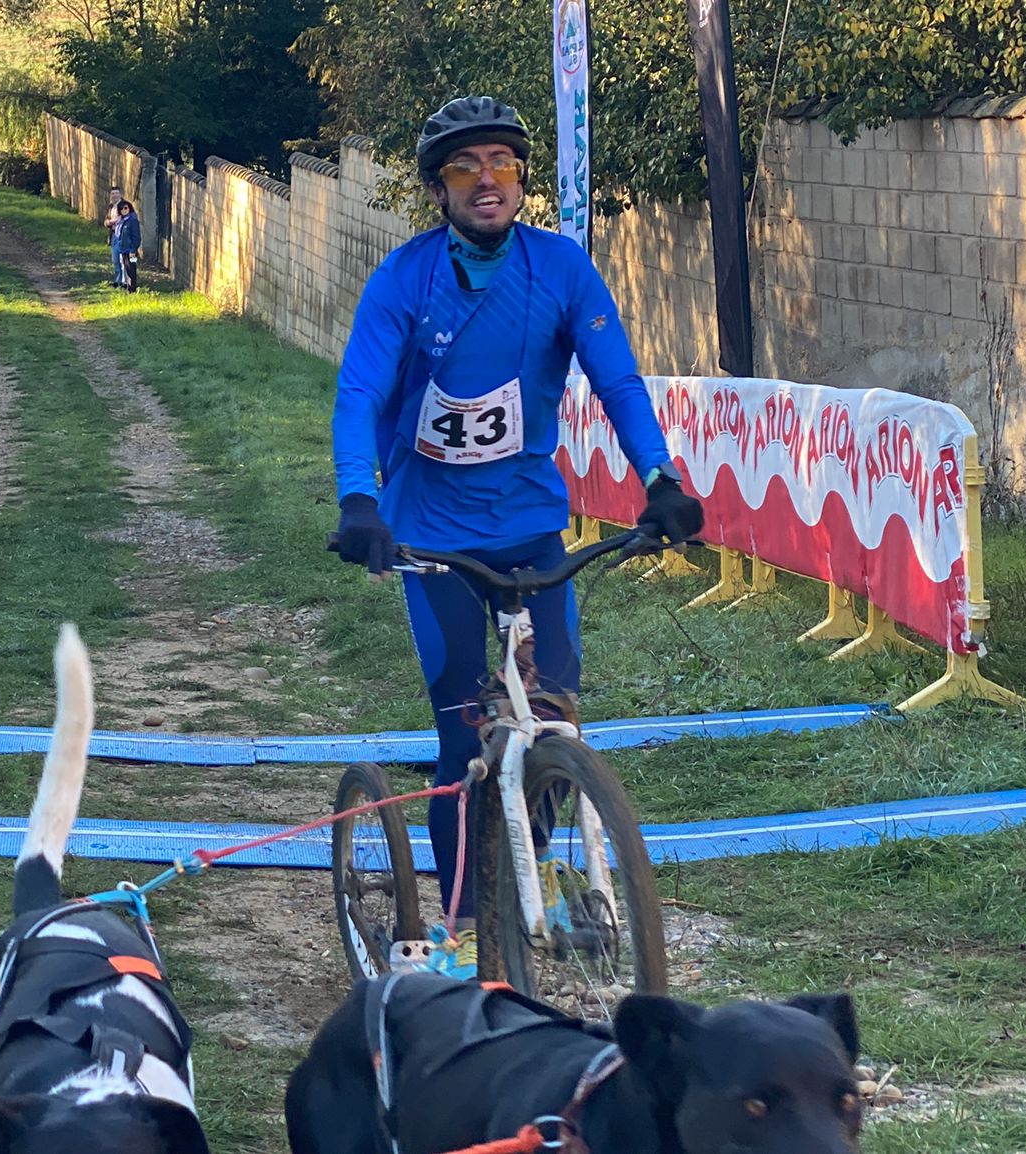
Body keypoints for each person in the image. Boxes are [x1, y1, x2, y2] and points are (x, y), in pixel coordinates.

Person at [327, 96, 703, 981]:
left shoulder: (562, 270)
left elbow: (618, 383)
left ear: (523, 178)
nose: (486, 179)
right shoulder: (405, 279)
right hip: (432, 537)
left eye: (501, 162)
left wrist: (660, 480)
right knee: (465, 734)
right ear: (439, 190)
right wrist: (358, 499)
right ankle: (461, 919)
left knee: (552, 717)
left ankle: (529, 875)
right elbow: (360, 395)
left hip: (533, 528)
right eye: (465, 168)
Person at [111, 200, 142, 292]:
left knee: (131, 269)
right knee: (126, 269)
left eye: (126, 208)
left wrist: (133, 250)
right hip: (123, 249)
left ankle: (133, 288)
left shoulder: (132, 221)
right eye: (121, 209)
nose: (124, 210)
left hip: (130, 250)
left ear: (129, 208)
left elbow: (136, 237)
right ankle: (128, 286)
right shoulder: (121, 221)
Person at [103, 186, 125, 285]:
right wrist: (108, 222)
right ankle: (118, 280)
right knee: (115, 259)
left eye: (116, 193)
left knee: (122, 260)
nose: (114, 195)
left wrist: (113, 221)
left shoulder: (125, 206)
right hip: (113, 235)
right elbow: (107, 220)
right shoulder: (111, 207)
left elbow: (123, 218)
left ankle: (124, 281)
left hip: (122, 236)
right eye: (113, 194)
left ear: (120, 194)